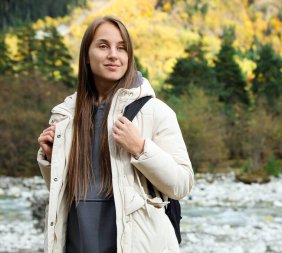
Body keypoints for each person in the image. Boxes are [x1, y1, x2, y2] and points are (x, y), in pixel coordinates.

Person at [37, 16, 193, 253]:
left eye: (122, 48)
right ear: (86, 57)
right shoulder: (65, 117)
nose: (113, 54)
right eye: (103, 46)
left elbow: (182, 184)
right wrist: (50, 159)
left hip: (136, 243)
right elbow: (61, 192)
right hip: (76, 242)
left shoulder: (155, 111)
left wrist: (141, 148)